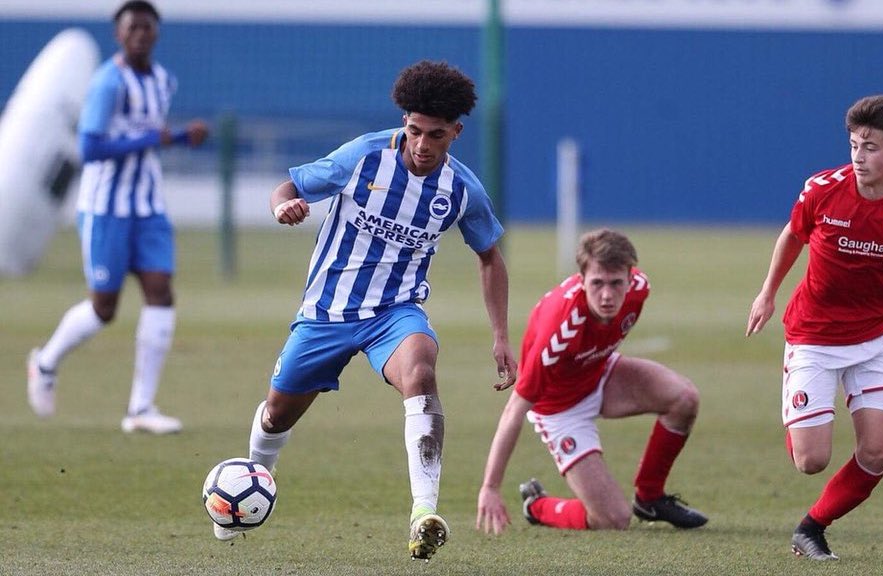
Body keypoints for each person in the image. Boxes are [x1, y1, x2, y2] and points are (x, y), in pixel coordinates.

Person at [217, 60, 518, 561]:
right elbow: (289, 187)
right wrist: (281, 207)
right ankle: (247, 485)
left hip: (395, 314)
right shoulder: (362, 156)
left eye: (436, 135)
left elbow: (490, 258)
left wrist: (501, 337)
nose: (422, 144)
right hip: (326, 314)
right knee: (275, 416)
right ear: (405, 121)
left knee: (421, 370)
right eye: (415, 130)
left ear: (456, 133)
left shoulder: (462, 190)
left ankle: (424, 513)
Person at [746, 95, 883, 561]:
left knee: (878, 453)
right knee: (811, 461)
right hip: (813, 338)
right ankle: (799, 410)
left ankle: (812, 528)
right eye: (853, 145)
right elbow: (793, 233)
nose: (858, 157)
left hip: (875, 342)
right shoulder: (823, 188)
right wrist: (768, 292)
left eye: (871, 147)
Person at [26, 0, 208, 434]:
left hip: (148, 206)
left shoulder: (164, 80)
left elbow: (154, 137)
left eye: (147, 27)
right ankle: (46, 362)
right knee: (104, 308)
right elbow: (90, 149)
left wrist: (183, 136)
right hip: (106, 208)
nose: (141, 34)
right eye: (133, 28)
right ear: (119, 35)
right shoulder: (108, 83)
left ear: (156, 34)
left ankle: (140, 408)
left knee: (161, 293)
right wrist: (157, 138)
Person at [476, 228, 708, 535]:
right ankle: (538, 506)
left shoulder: (640, 289)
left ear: (630, 276)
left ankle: (650, 497)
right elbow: (514, 410)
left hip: (599, 373)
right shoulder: (559, 330)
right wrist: (490, 487)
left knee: (684, 399)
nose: (608, 295)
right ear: (582, 279)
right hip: (558, 409)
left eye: (616, 283)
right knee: (613, 519)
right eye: (597, 283)